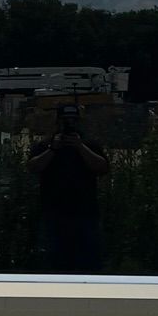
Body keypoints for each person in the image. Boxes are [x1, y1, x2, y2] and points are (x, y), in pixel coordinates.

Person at [29, 100, 109, 273]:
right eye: (66, 121)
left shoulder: (90, 145)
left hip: (84, 212)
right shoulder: (45, 145)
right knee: (53, 261)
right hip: (53, 212)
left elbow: (102, 167)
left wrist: (80, 147)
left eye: (73, 120)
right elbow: (34, 167)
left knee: (87, 261)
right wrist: (53, 149)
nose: (69, 124)